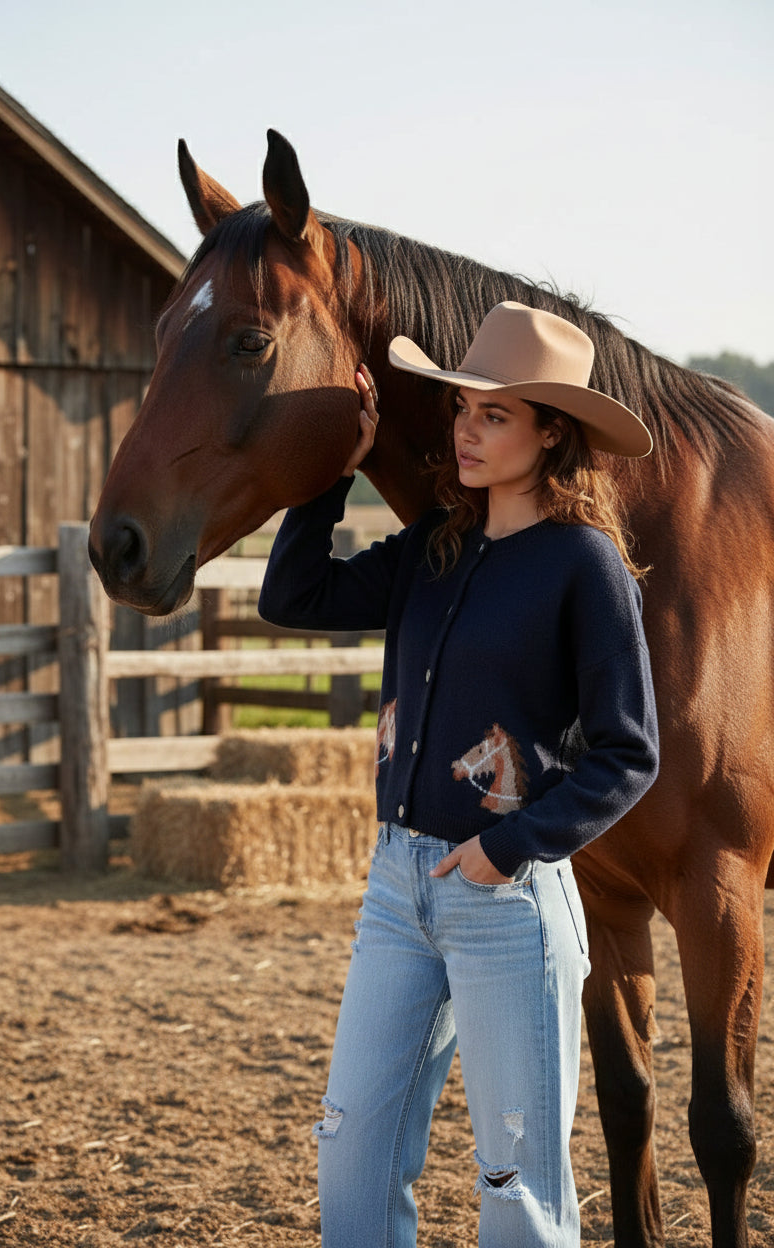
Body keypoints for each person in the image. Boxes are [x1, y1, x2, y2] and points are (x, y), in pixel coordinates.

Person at [258, 301, 660, 1248]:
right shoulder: (432, 547)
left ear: (551, 432)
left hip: (508, 902)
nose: (465, 430)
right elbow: (293, 596)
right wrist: (333, 477)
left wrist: (506, 849)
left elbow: (628, 752)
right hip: (396, 893)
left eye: (495, 414)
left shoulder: (584, 566)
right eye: (461, 409)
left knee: (515, 1182)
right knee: (351, 1145)